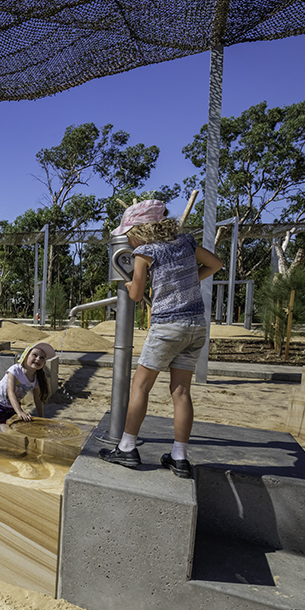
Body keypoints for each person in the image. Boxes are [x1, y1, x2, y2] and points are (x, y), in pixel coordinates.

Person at [98, 199, 223, 478]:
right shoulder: (186, 243)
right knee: (181, 392)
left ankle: (127, 447)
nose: (128, 239)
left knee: (140, 386)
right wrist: (192, 280)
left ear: (141, 229)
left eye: (129, 233)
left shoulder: (145, 253)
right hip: (196, 325)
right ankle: (179, 457)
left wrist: (130, 284)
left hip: (167, 326)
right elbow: (216, 263)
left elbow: (135, 294)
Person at [0, 342, 55, 423]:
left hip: (12, 405)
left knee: (11, 426)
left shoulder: (36, 379)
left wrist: (41, 417)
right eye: (34, 355)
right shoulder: (15, 370)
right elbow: (10, 391)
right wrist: (20, 412)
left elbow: (37, 399)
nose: (38, 359)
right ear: (26, 356)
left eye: (42, 358)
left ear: (44, 364)